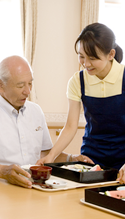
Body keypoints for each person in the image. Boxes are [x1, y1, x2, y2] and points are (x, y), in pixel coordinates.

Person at [0, 55, 91, 188]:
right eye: (20, 85)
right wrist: (3, 171)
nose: (27, 91)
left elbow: (45, 153)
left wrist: (72, 159)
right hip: (1, 188)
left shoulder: (35, 111)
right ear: (0, 85)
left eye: (30, 83)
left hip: (34, 186)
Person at [36, 23, 125, 184]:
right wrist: (51, 155)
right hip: (91, 158)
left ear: (111, 54)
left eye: (93, 58)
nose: (86, 63)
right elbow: (70, 126)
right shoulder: (78, 81)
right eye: (81, 56)